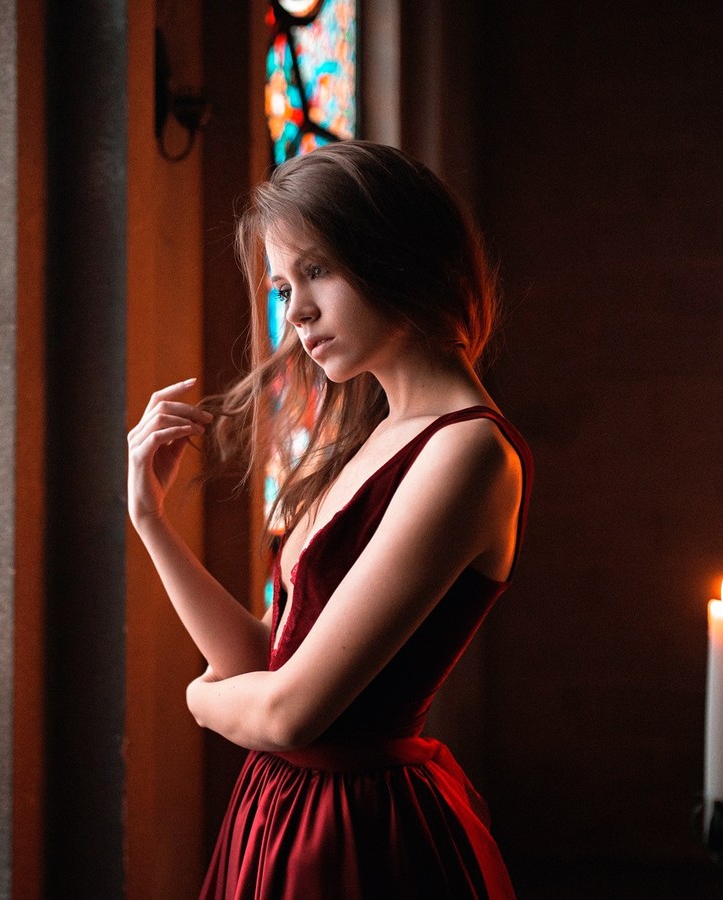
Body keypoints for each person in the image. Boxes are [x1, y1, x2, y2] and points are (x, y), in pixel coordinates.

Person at [127, 140, 530, 899]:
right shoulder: (374, 434)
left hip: (355, 835)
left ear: (399, 255)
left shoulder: (469, 451)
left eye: (317, 271)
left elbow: (288, 713)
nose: (298, 312)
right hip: (279, 812)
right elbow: (267, 659)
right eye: (282, 287)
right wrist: (149, 518)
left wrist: (196, 700)